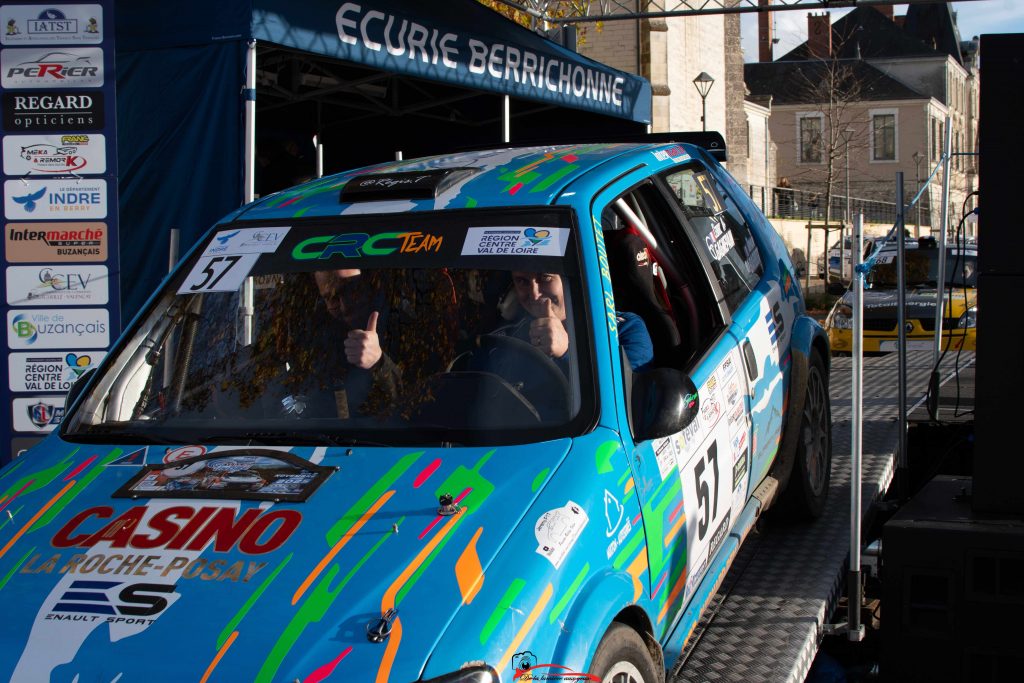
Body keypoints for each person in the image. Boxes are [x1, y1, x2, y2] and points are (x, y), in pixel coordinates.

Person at [499, 271, 654, 372]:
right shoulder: (511, 334)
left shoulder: (624, 329)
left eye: (545, 278)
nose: (534, 294)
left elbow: (626, 401)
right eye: (522, 281)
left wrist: (567, 353)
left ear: (572, 280)